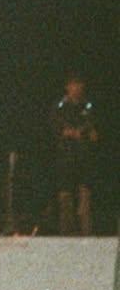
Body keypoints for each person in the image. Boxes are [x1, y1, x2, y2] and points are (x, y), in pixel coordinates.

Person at [52, 72, 99, 235]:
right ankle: (67, 234)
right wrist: (69, 133)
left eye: (79, 84)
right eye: (74, 84)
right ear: (67, 86)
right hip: (66, 156)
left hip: (84, 157)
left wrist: (87, 133)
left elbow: (93, 128)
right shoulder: (60, 106)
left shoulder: (88, 106)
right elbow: (56, 127)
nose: (77, 88)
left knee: (85, 196)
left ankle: (86, 233)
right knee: (65, 196)